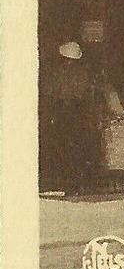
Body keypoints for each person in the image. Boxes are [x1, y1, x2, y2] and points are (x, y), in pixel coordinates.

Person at [41, 41, 97, 196]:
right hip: (78, 111)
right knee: (76, 146)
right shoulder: (82, 73)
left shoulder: (58, 72)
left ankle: (64, 181)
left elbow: (50, 91)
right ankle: (76, 182)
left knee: (62, 145)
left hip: (62, 111)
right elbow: (85, 92)